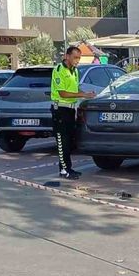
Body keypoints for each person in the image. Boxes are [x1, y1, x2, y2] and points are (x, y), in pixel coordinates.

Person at [50, 46, 95, 180]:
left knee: (69, 141)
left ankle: (68, 167)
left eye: (79, 58)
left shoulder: (74, 71)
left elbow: (74, 88)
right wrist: (82, 94)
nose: (77, 61)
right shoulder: (59, 70)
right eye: (75, 57)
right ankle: (64, 170)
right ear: (67, 56)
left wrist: (85, 94)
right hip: (60, 109)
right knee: (62, 140)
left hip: (70, 108)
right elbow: (62, 92)